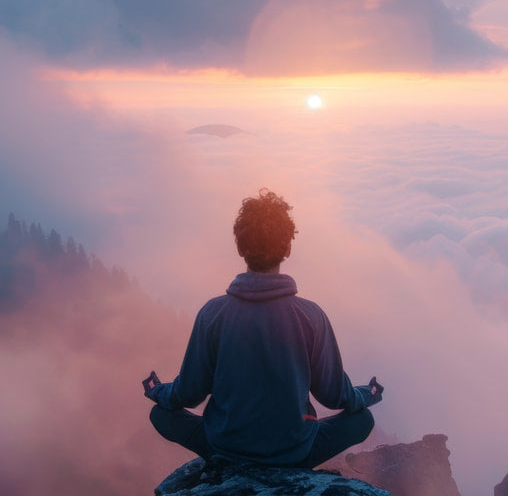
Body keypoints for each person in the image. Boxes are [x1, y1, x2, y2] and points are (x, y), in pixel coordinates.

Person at [143, 189, 382, 468]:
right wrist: (368, 394)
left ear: (240, 248)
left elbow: (188, 394)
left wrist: (157, 391)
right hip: (294, 451)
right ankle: (287, 462)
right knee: (363, 420)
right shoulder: (310, 316)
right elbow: (334, 395)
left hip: (225, 448)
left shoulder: (213, 314)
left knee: (160, 415)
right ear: (288, 248)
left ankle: (228, 460)